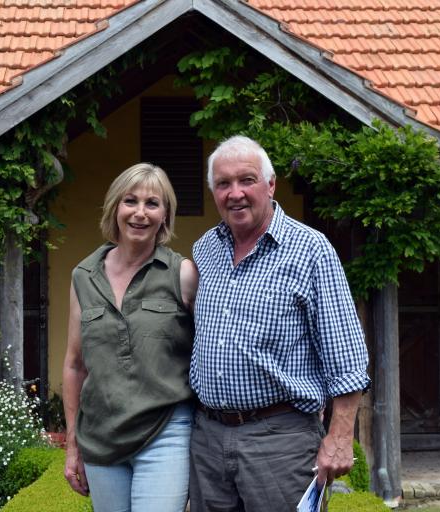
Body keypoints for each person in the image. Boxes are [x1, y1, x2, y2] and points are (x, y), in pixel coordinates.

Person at [188, 135, 370, 512]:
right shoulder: (205, 248)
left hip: (280, 440)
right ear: (213, 192)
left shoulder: (310, 250)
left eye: (246, 180)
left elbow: (348, 358)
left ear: (271, 185)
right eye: (223, 184)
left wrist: (339, 438)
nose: (234, 193)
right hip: (208, 437)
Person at [62, 163, 198, 512]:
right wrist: (73, 446)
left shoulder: (182, 274)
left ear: (165, 214)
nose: (140, 213)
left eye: (152, 203)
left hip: (165, 431)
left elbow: (210, 352)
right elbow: (75, 365)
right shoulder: (83, 277)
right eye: (130, 201)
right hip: (101, 437)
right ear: (115, 208)